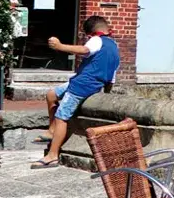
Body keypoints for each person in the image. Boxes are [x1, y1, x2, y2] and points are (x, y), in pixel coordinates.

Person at [32, 15, 119, 169]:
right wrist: (106, 94)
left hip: (82, 85)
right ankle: (51, 130)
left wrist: (60, 46)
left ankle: (52, 155)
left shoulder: (97, 39)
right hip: (84, 82)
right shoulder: (114, 46)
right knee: (51, 94)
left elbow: (85, 50)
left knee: (61, 117)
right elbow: (112, 75)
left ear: (90, 33)